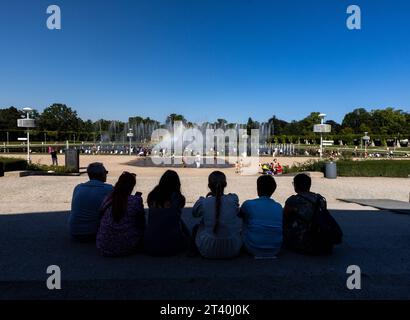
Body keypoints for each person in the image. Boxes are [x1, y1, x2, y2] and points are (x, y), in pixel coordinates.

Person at [283, 174, 342, 255]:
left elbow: (284, 217)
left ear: (295, 185)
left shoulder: (293, 200)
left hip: (302, 239)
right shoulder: (320, 198)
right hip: (319, 235)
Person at [191, 171, 242, 259]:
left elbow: (194, 213)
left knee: (198, 226)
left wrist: (207, 198)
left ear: (209, 186)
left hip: (208, 250)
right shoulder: (233, 199)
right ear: (225, 184)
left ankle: (191, 250)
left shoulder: (204, 202)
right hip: (232, 249)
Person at [97, 172, 145, 257]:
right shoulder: (135, 201)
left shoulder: (108, 198)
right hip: (126, 247)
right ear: (132, 186)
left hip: (103, 245)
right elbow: (141, 222)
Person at [144, 170, 188, 256]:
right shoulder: (178, 198)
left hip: (149, 245)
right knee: (179, 221)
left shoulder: (152, 195)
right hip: (172, 247)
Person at [239, 175, 283, 258]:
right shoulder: (278, 206)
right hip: (276, 248)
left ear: (258, 188)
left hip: (252, 247)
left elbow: (239, 216)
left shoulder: (248, 204)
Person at [69, 163, 113, 242]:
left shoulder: (78, 187)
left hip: (74, 231)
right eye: (106, 172)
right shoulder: (108, 189)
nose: (106, 174)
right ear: (101, 174)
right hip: (93, 232)